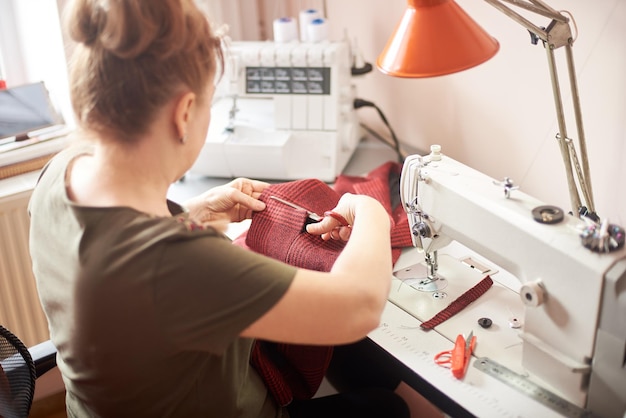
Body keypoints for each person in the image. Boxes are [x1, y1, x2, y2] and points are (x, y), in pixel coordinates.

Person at [28, 0, 410, 417]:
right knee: (387, 407)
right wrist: (372, 211)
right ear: (185, 112)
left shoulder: (60, 172)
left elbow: (111, 259)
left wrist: (190, 214)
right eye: (211, 103)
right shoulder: (173, 263)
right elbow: (357, 307)